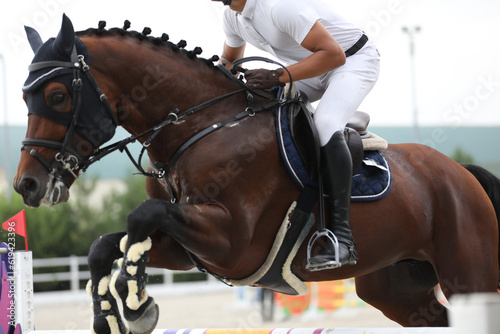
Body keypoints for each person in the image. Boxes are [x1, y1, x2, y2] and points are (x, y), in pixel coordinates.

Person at [212, 0, 380, 271]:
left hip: (352, 61)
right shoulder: (233, 17)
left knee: (325, 122)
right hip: (312, 68)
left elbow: (334, 55)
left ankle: (342, 240)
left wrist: (278, 76)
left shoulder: (279, 7)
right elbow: (229, 61)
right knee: (255, 99)